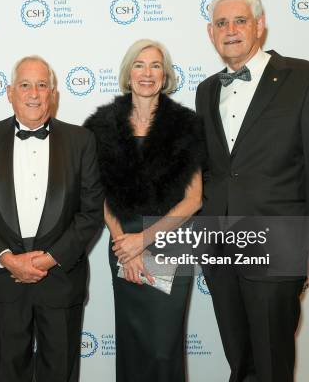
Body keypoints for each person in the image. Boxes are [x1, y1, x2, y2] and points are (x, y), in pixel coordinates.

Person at [195, 0, 309, 382]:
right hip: (219, 248)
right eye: (221, 23)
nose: (230, 30)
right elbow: (212, 170)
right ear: (210, 33)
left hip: (278, 247)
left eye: (240, 20)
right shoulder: (206, 90)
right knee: (239, 359)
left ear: (260, 26)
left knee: (272, 362)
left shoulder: (307, 79)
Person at [0, 55, 103, 382]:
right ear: (9, 92)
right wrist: (6, 258)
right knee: (5, 372)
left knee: (59, 373)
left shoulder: (81, 140)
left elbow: (90, 213)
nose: (33, 93)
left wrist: (50, 259)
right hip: (3, 282)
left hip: (60, 280)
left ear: (53, 94)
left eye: (42, 85)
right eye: (25, 85)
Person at [84, 39, 204, 382]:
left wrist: (144, 239)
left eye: (155, 65)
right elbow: (99, 193)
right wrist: (124, 242)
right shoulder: (101, 126)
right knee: (133, 341)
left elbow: (193, 199)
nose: (147, 73)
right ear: (128, 73)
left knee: (163, 346)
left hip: (169, 240)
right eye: (139, 65)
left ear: (165, 75)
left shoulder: (185, 124)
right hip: (123, 244)